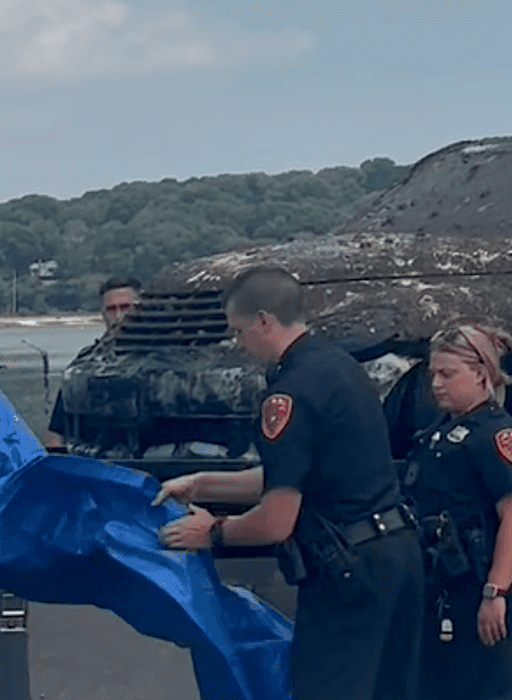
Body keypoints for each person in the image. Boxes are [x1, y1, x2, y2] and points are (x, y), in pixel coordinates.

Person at [154, 266, 423, 700]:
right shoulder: (339, 367)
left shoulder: (289, 393)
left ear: (263, 321)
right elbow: (299, 475)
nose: (239, 344)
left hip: (348, 570)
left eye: (239, 331)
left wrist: (213, 532)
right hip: (396, 555)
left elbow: (277, 521)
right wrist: (204, 484)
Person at [404, 321, 512, 700]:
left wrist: (495, 592)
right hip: (440, 585)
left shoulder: (497, 434)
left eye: (448, 374)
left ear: (481, 374)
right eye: (433, 374)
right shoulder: (436, 434)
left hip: (478, 583)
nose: (436, 384)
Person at [45, 276, 141, 449]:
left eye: (126, 307)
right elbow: (56, 436)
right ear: (103, 314)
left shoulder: (168, 361)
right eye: (111, 309)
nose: (119, 316)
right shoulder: (85, 367)